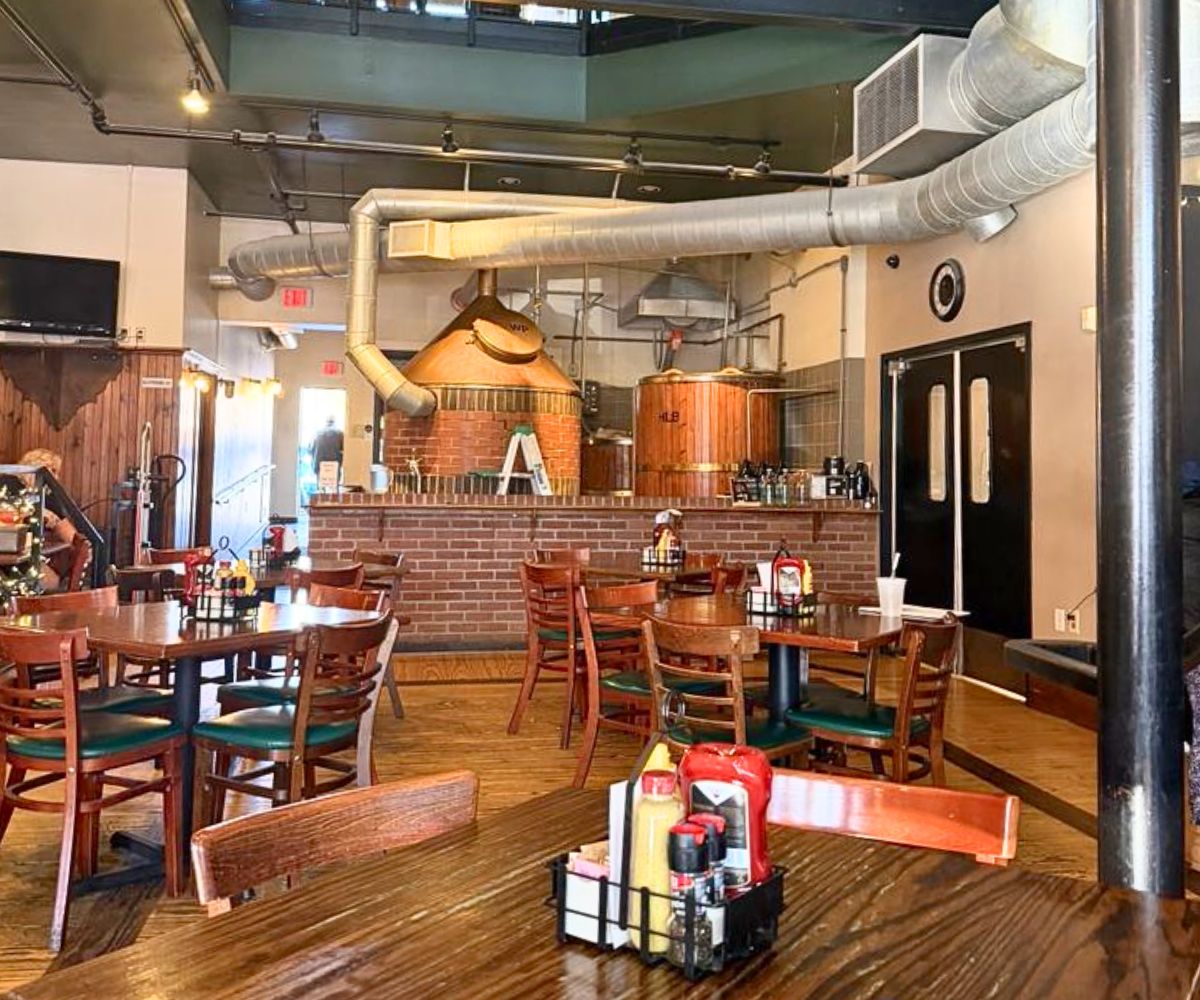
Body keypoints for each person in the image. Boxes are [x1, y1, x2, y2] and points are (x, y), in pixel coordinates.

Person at [309, 417, 344, 485]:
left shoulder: (317, 433)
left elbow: (310, 450)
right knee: (333, 489)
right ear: (334, 422)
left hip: (319, 464)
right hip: (334, 465)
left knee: (320, 488)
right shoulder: (340, 433)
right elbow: (344, 450)